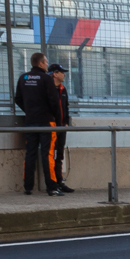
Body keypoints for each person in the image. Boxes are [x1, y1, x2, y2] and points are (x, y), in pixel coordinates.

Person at [12, 51, 51, 195]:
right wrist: (50, 114)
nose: (47, 64)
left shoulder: (24, 78)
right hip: (45, 121)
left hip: (30, 121)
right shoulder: (46, 79)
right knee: (46, 154)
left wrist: (28, 110)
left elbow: (17, 99)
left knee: (30, 154)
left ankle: (28, 187)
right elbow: (53, 100)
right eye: (46, 62)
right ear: (40, 63)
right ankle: (51, 187)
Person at [46, 64, 72, 194]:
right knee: (51, 154)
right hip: (51, 126)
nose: (64, 74)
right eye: (62, 72)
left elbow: (65, 107)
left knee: (59, 154)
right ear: (55, 74)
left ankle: (59, 181)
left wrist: (66, 122)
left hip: (62, 126)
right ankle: (53, 183)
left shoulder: (63, 89)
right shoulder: (47, 89)